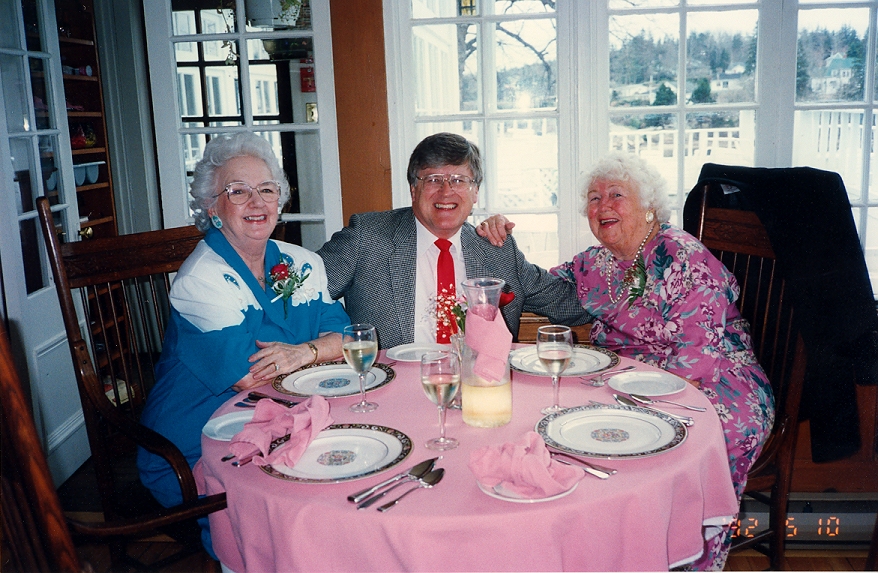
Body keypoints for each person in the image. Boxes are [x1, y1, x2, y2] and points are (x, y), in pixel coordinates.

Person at [482, 152, 775, 570]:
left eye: (616, 195)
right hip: (631, 381)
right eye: (594, 198)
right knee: (565, 425)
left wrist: (635, 409)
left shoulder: (683, 258)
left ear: (649, 205)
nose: (603, 205)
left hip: (716, 384)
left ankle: (679, 557)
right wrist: (497, 246)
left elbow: (696, 356)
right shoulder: (595, 262)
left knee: (662, 447)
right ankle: (617, 551)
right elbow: (533, 288)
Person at [137, 133, 349, 552]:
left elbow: (347, 340)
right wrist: (317, 352)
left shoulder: (303, 263)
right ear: (212, 207)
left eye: (267, 189)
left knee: (342, 488)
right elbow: (250, 377)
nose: (257, 202)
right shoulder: (199, 280)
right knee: (303, 520)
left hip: (281, 421)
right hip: (199, 446)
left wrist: (301, 353)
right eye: (238, 191)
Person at [316, 132, 590, 348]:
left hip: (477, 389)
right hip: (392, 390)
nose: (446, 192)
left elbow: (573, 304)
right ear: (414, 190)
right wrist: (315, 349)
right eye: (433, 179)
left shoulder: (498, 250)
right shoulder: (366, 237)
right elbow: (300, 294)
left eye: (459, 180)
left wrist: (613, 254)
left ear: (476, 192)